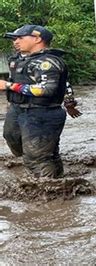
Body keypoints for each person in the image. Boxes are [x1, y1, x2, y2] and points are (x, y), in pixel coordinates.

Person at [0, 25, 72, 179]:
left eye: (20, 38)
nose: (15, 42)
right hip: (18, 109)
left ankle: (52, 194)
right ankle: (56, 173)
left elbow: (47, 90)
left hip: (42, 113)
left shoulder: (48, 62)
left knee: (36, 158)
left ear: (37, 39)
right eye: (14, 38)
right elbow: (64, 83)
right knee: (11, 138)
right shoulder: (20, 59)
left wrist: (8, 85)